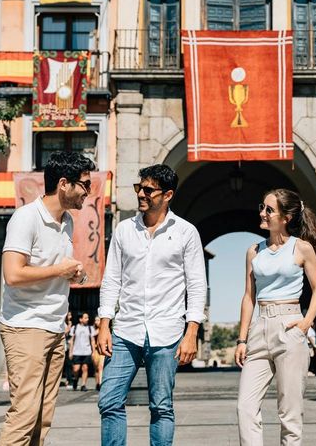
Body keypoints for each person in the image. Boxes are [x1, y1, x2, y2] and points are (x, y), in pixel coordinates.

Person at [96, 164, 206, 446]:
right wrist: (104, 324)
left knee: (161, 407)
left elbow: (196, 285)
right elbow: (112, 280)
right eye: (138, 188)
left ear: (167, 194)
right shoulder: (124, 230)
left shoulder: (186, 232)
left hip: (166, 331)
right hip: (125, 330)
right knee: (109, 400)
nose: (141, 194)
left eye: (148, 190)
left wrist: (191, 332)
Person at [0, 151, 95, 445]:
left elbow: (51, 270)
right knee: (24, 415)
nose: (88, 192)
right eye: (85, 184)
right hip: (25, 326)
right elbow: (13, 274)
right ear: (64, 184)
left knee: (42, 417)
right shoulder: (26, 218)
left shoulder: (67, 221)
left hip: (54, 328)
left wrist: (72, 274)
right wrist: (58, 269)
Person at [235, 189, 316, 445]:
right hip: (259, 328)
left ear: (285, 217)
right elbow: (248, 297)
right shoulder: (254, 251)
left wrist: (306, 324)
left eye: (269, 210)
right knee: (245, 407)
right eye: (262, 207)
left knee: (289, 412)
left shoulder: (302, 248)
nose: (262, 213)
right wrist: (242, 339)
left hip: (290, 326)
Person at [69, 312, 95, 391]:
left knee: (85, 368)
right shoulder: (75, 328)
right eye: (85, 318)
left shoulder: (90, 328)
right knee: (76, 369)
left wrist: (93, 351)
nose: (87, 319)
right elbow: (72, 340)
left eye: (88, 318)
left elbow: (92, 340)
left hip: (87, 351)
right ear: (80, 319)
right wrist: (70, 351)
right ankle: (75, 380)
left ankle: (83, 385)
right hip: (77, 351)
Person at [91, 316, 104, 391]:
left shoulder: (105, 329)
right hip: (96, 351)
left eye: (98, 320)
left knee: (101, 367)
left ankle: (100, 383)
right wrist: (92, 352)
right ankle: (97, 383)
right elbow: (92, 341)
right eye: (96, 320)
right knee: (96, 369)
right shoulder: (94, 330)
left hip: (102, 351)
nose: (97, 322)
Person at [63, 311, 74, 388]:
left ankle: (69, 380)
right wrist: (69, 325)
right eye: (69, 315)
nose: (70, 316)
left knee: (69, 365)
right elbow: (64, 332)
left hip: (67, 347)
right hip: (62, 347)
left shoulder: (71, 325)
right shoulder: (63, 324)